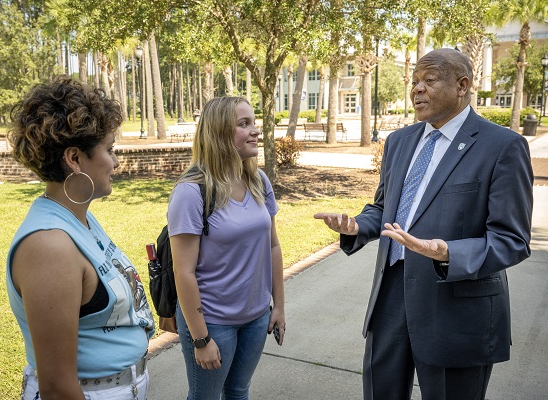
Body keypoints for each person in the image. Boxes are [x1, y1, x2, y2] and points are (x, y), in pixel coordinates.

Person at [315, 48, 533, 400]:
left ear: (462, 86)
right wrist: (358, 226)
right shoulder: (399, 142)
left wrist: (448, 252)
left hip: (456, 305)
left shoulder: (503, 146)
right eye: (414, 81)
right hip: (390, 299)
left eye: (429, 80)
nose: (417, 89)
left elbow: (512, 239)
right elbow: (386, 208)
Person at [6, 77, 155, 400]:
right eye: (109, 150)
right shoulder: (49, 246)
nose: (115, 161)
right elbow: (58, 387)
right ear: (74, 159)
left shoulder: (79, 219)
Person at [167, 96, 285, 399]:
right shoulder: (191, 192)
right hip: (212, 321)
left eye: (254, 123)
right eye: (244, 124)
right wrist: (201, 338)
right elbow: (184, 272)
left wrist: (279, 306)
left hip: (257, 316)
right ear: (219, 134)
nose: (255, 130)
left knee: (238, 391)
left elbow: (272, 246)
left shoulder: (258, 180)